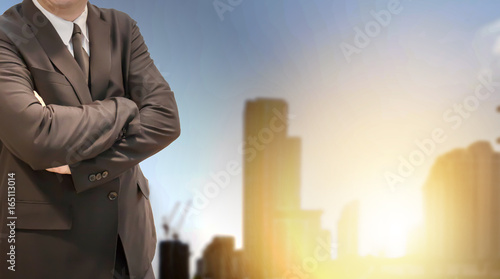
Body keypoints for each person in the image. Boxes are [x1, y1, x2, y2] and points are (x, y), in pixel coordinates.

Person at [0, 0, 181, 278]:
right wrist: (125, 106)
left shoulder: (123, 27)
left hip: (130, 248)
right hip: (48, 254)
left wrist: (83, 166)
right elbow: (38, 138)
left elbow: (165, 119)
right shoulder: (6, 34)